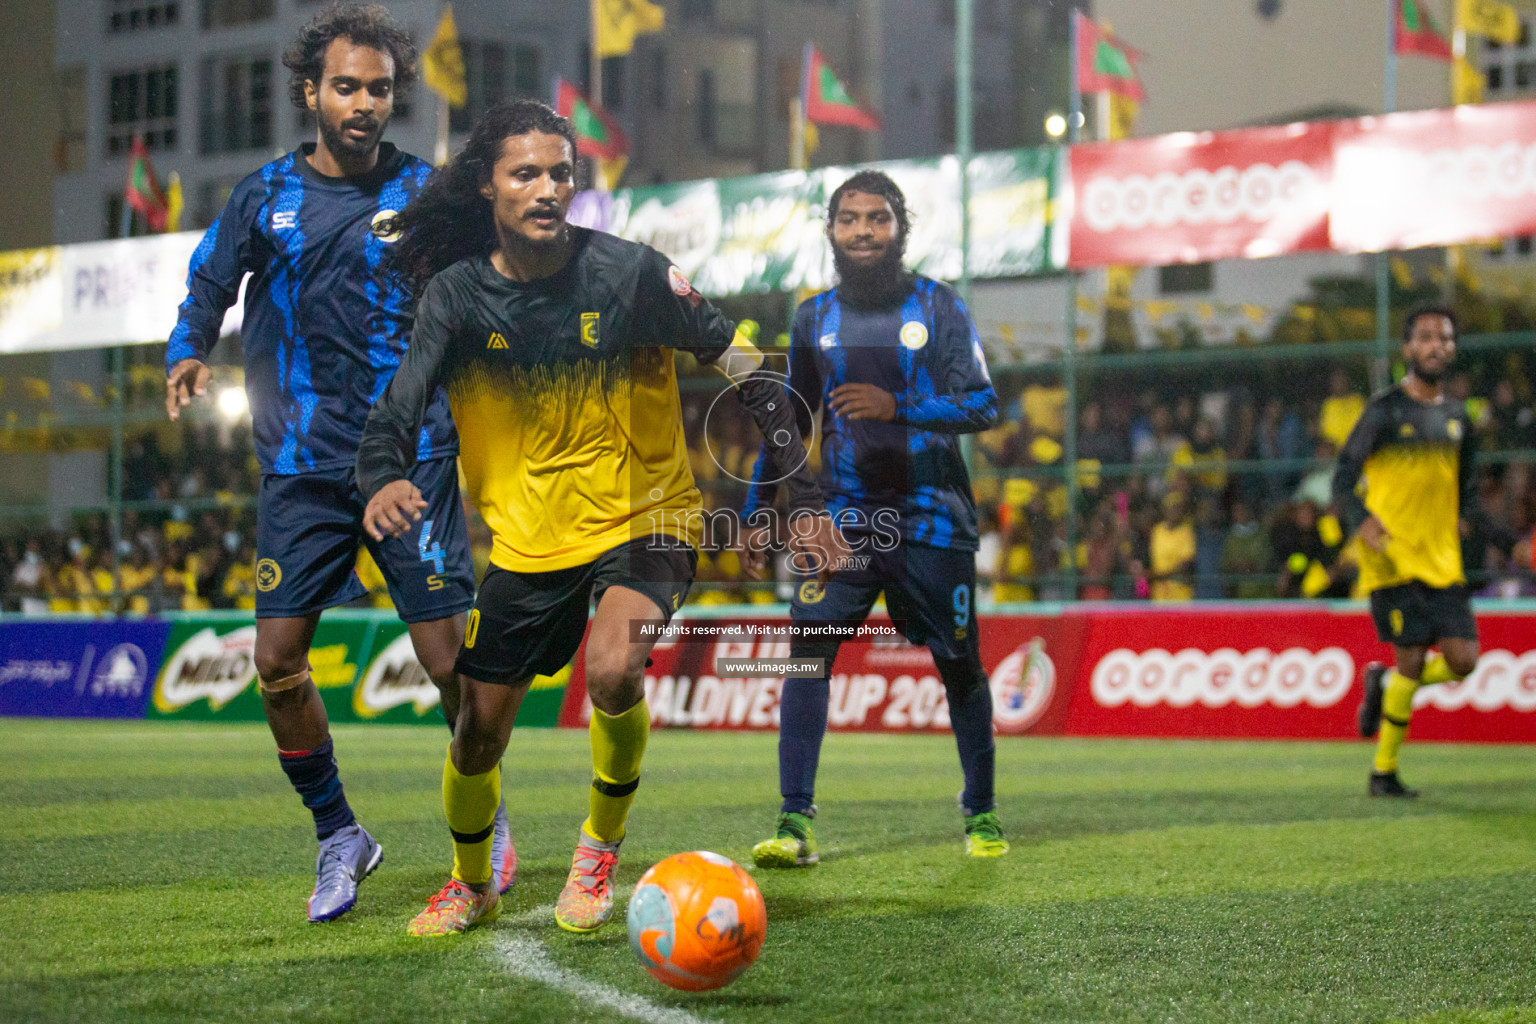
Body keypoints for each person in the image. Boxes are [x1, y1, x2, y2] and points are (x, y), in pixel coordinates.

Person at [354, 99, 844, 937]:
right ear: (487, 187)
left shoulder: (632, 275)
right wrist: (379, 478)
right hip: (529, 542)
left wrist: (804, 497)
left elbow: (749, 368)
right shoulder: (458, 297)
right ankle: (471, 883)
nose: (547, 189)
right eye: (525, 174)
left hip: (646, 516)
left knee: (614, 670)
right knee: (476, 734)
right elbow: (398, 407)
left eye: (560, 172)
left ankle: (597, 852)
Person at [163, 3, 499, 923]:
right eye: (345, 86)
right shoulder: (262, 195)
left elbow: (487, 290)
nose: (362, 102)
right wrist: (189, 346)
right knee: (277, 662)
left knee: (446, 661)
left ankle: (485, 823)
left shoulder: (430, 196)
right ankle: (339, 834)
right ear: (311, 91)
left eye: (379, 88)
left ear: (395, 95)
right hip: (302, 465)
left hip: (411, 457)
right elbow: (209, 278)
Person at [740, 169, 1008, 867]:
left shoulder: (939, 307)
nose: (863, 230)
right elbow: (787, 421)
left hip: (931, 519)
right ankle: (794, 821)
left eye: (877, 218)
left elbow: (982, 404)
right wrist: (754, 511)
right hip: (844, 520)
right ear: (830, 231)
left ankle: (980, 810)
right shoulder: (812, 318)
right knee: (807, 656)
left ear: (900, 228)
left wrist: (899, 408)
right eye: (849, 218)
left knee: (960, 664)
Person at [1335, 305, 1519, 798]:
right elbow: (1342, 478)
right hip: (1393, 559)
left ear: (1453, 349)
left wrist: (1513, 543)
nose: (1437, 345)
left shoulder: (1459, 418)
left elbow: (1470, 501)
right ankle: (1383, 773)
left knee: (1464, 660)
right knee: (1413, 660)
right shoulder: (1384, 410)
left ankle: (1381, 683)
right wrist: (1361, 521)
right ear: (1408, 349)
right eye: (1426, 337)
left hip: (1443, 561)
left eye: (1445, 338)